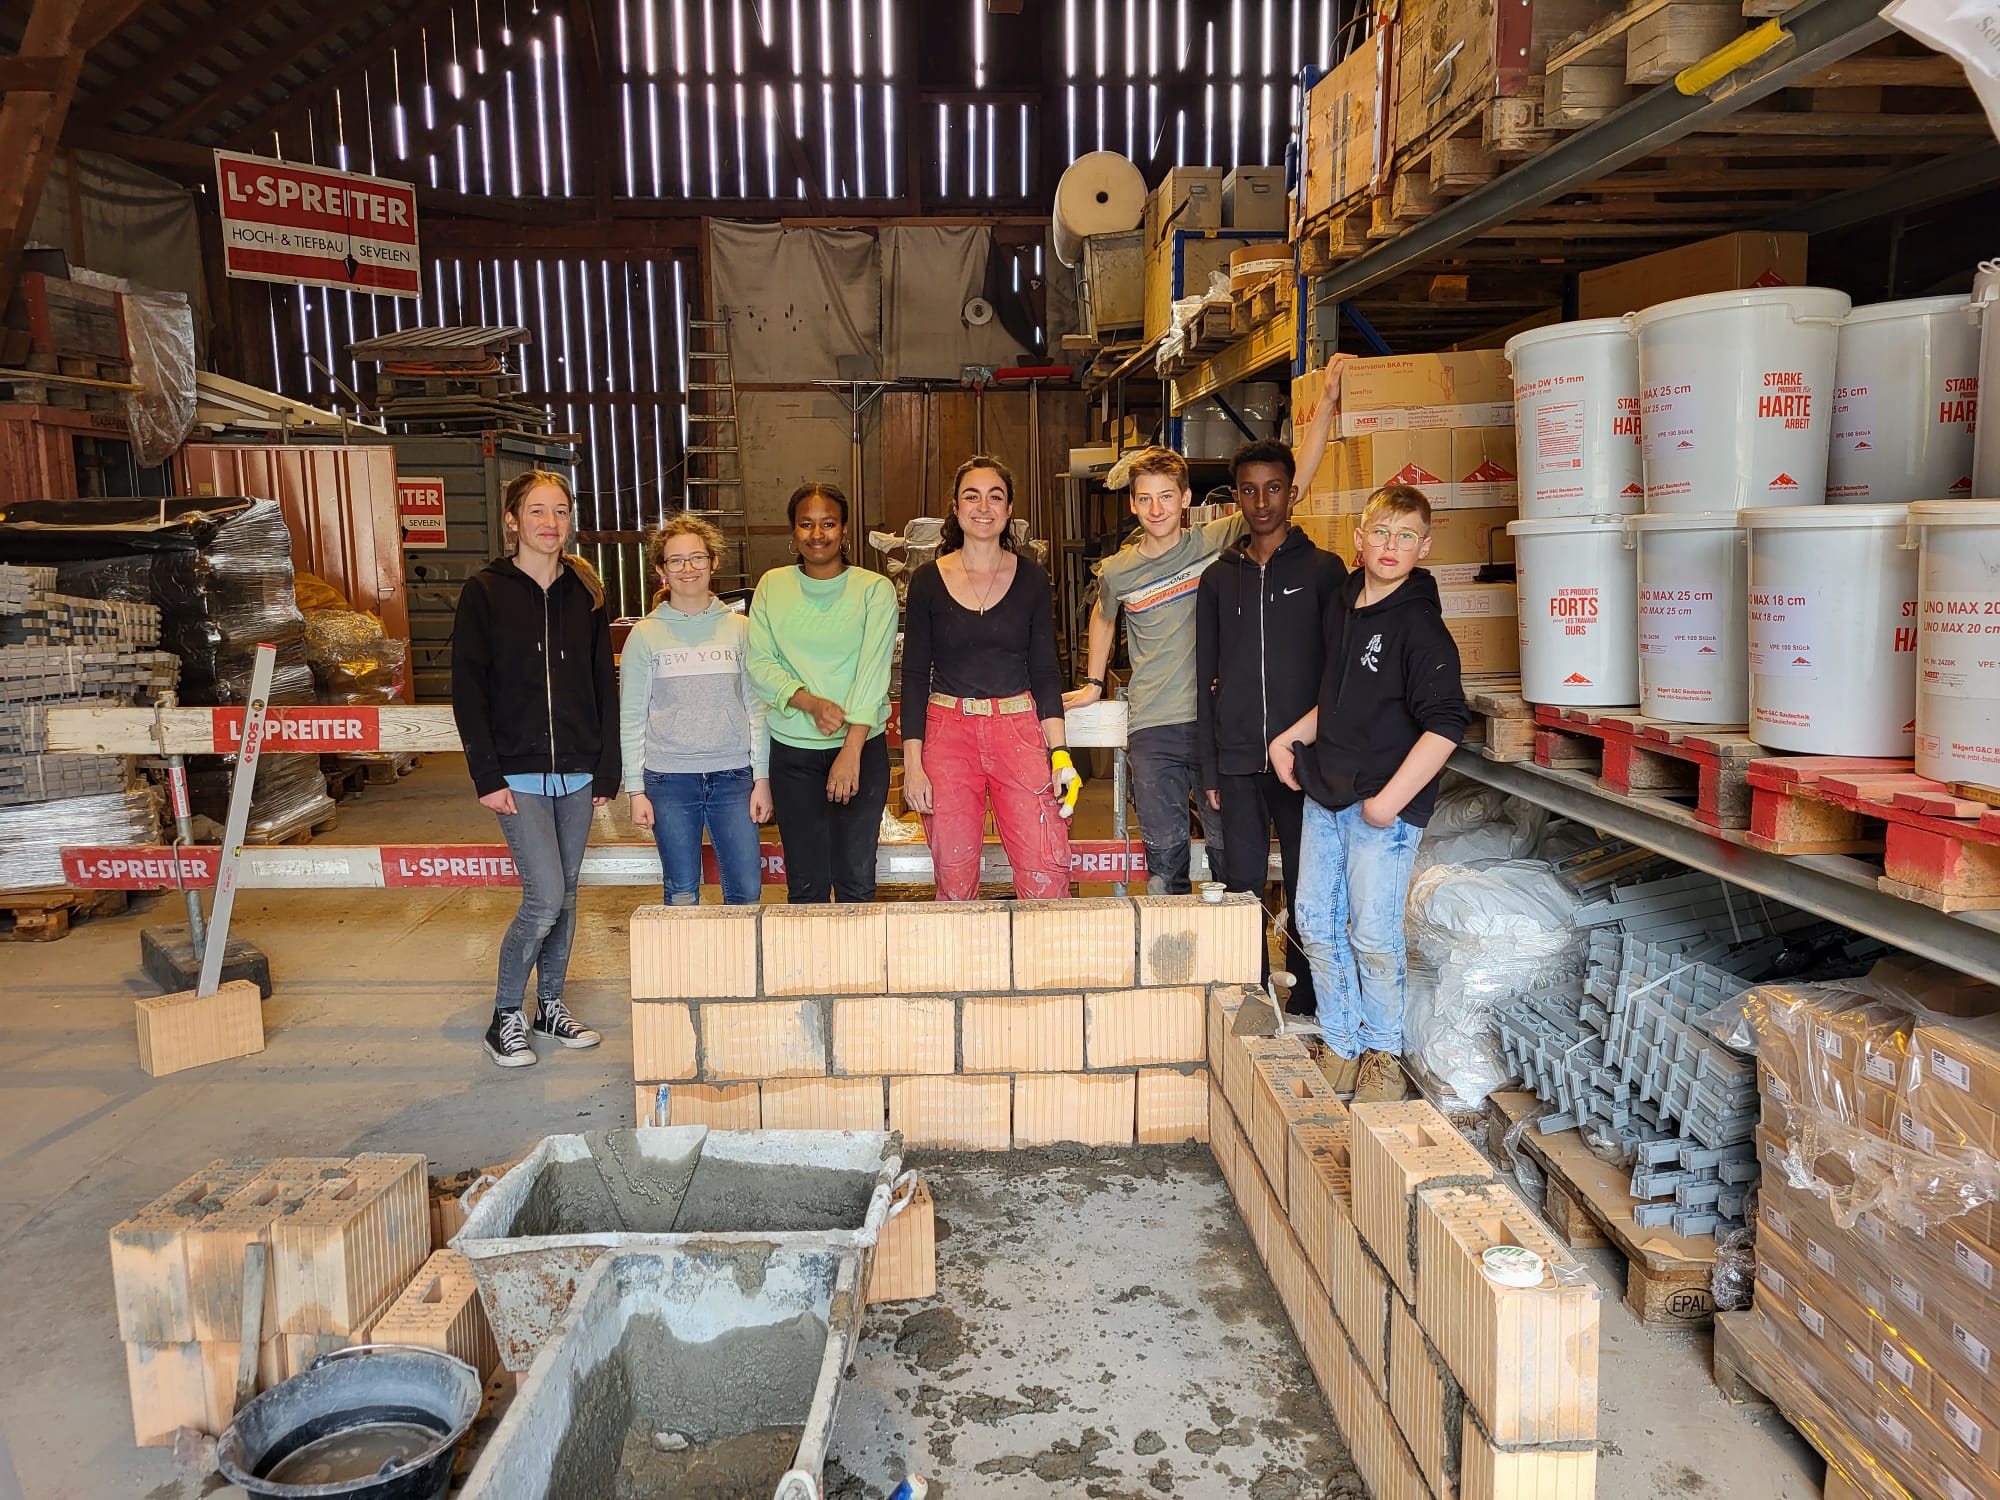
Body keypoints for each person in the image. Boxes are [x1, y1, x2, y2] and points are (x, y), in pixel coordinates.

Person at [1065, 394, 1340, 895]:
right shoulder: (1119, 570)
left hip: (1216, 726)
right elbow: (1102, 617)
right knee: (1165, 855)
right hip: (1154, 726)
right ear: (1132, 504)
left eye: (1167, 496)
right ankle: (1173, 943)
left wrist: (1326, 404)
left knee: (1227, 853)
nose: (1156, 509)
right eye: (1145, 499)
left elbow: (1293, 479)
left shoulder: (1216, 541)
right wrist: (1092, 682)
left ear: (1186, 498)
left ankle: (1224, 940)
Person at [1270, 485, 1469, 1103]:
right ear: (1359, 539)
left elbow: (1447, 724)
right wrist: (1290, 739)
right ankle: (1341, 1041)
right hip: (1326, 793)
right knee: (1315, 925)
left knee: (1373, 937)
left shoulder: (1420, 626)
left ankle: (1383, 1053)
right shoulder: (1344, 603)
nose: (1391, 545)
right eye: (1381, 532)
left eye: (1406, 536)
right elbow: (1339, 698)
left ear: (1424, 547)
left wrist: (1388, 804)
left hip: (1381, 811)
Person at [451, 469, 616, 1068]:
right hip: (516, 774)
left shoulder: (585, 593)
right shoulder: (485, 592)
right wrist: (486, 776)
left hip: (577, 772)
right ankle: (504, 1017)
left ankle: (549, 1006)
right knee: (544, 897)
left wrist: (607, 769)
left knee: (566, 895)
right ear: (513, 521)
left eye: (561, 511)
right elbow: (468, 690)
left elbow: (602, 684)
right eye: (538, 511)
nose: (551, 522)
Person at [1196, 437, 1347, 1019]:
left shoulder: (1323, 572)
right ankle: (1254, 995)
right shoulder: (1218, 579)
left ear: (1292, 492)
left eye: (1274, 489)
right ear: (1236, 497)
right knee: (1243, 884)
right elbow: (1205, 678)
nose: (1262, 502)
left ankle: (1308, 998)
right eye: (1250, 490)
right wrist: (1210, 767)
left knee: (1310, 886)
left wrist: (1327, 754)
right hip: (1237, 763)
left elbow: (1338, 675)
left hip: (1304, 765)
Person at [901, 456, 1077, 900]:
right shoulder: (926, 581)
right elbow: (915, 676)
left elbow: (1045, 670)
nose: (983, 507)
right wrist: (913, 766)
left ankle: (1044, 950)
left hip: (1018, 730)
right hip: (947, 735)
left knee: (1045, 871)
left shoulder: (1033, 579)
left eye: (995, 497)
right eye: (971, 496)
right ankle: (961, 950)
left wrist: (1059, 754)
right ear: (956, 508)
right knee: (954, 879)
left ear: (1009, 509)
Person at [747, 482, 899, 903]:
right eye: (806, 524)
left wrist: (851, 750)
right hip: (792, 754)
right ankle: (807, 952)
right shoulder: (772, 586)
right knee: (805, 885)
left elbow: (873, 673)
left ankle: (857, 953)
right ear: (793, 532)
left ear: (844, 530)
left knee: (856, 882)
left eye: (828, 524)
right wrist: (809, 702)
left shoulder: (874, 590)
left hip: (861, 749)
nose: (818, 534)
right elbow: (759, 663)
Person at [620, 515, 772, 906]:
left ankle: (741, 952)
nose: (688, 568)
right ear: (661, 569)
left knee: (746, 892)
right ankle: (685, 952)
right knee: (682, 891)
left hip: (734, 777)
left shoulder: (741, 629)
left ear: (713, 562)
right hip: (668, 780)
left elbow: (757, 709)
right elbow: (632, 719)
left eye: (697, 558)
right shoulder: (645, 636)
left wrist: (762, 778)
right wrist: (635, 790)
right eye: (676, 560)